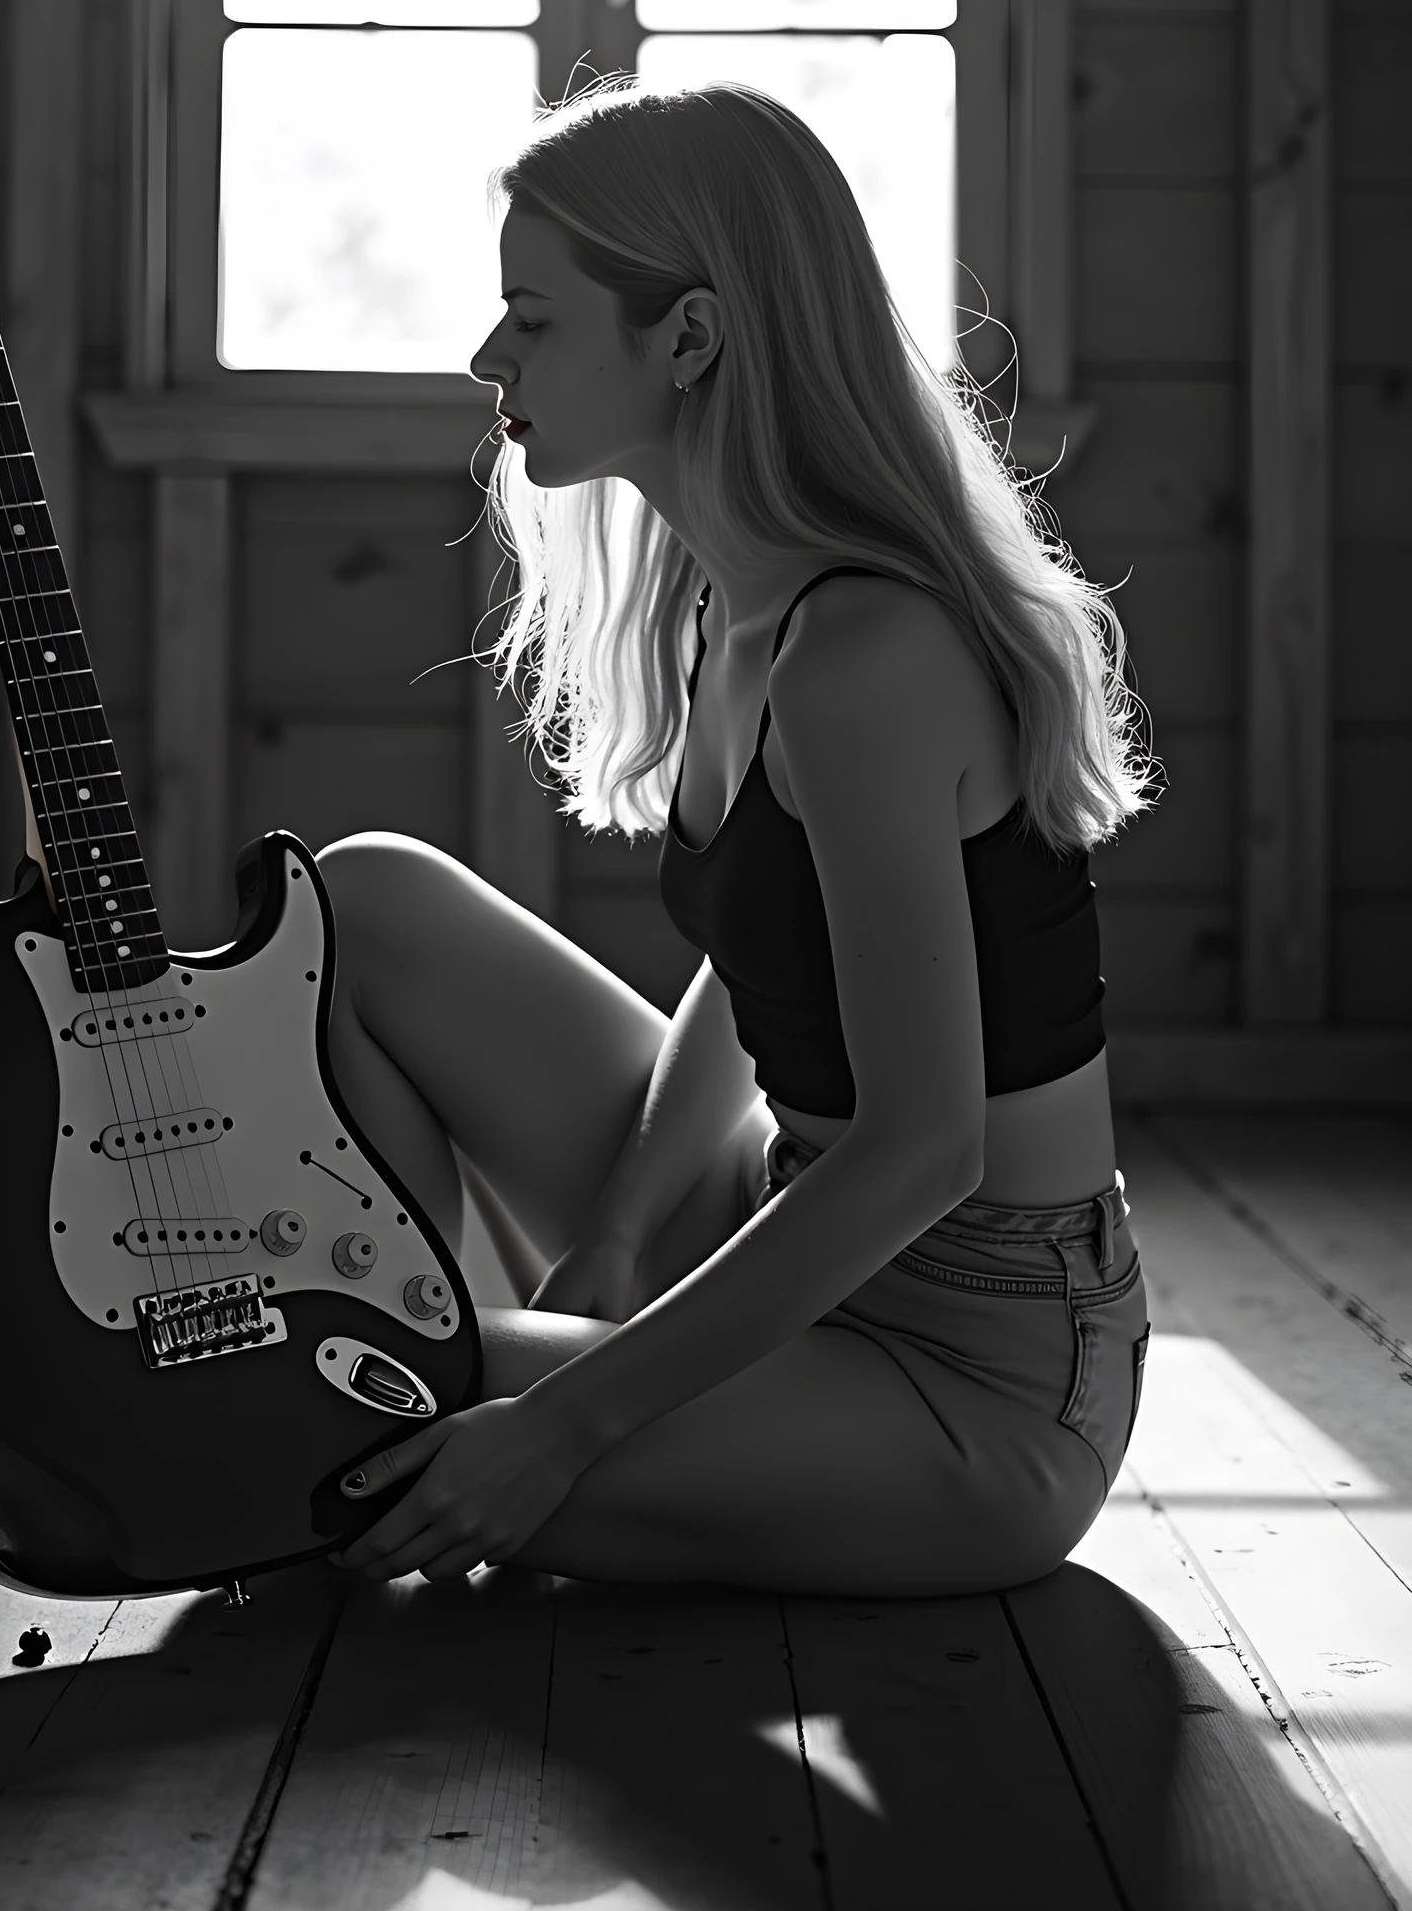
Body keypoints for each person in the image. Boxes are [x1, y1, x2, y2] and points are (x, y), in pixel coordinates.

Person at [318, 80, 1153, 1596]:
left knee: (328, 1413)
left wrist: (558, 1424)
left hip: (976, 1370)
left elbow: (923, 1149)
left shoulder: (869, 652)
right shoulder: (733, 600)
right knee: (365, 902)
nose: (487, 355)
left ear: (690, 338)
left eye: (535, 316)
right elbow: (777, 962)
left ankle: (444, 1399)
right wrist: (624, 1233)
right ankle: (429, 1341)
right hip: (792, 1213)